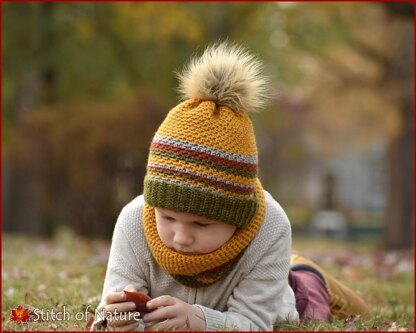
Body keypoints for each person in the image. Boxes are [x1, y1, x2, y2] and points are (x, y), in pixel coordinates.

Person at [91, 42, 371, 331]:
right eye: (168, 218)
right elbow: (110, 308)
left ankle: (307, 272)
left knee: (315, 304)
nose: (181, 237)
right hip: (256, 278)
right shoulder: (133, 220)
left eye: (200, 224)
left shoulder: (271, 228)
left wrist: (199, 320)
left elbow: (255, 323)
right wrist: (117, 320)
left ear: (237, 217)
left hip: (285, 300)